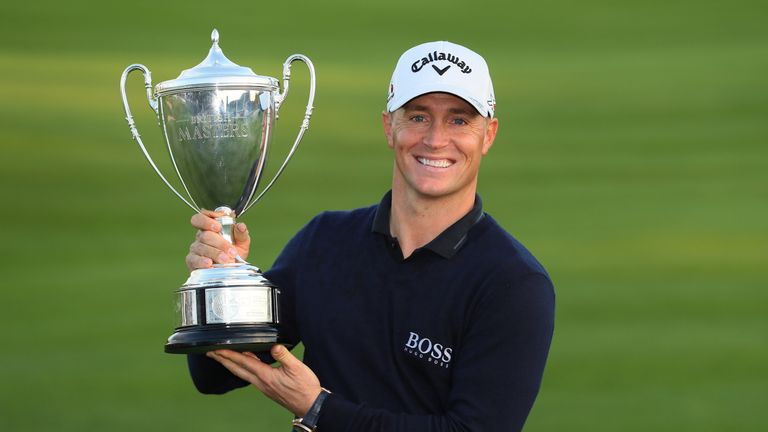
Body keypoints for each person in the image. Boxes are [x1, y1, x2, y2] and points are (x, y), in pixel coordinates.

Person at [185, 41, 555, 432]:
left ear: (488, 135)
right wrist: (222, 280)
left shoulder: (513, 284)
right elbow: (215, 376)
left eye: (460, 121)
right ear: (388, 127)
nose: (435, 139)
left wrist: (319, 409)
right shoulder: (325, 242)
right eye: (418, 117)